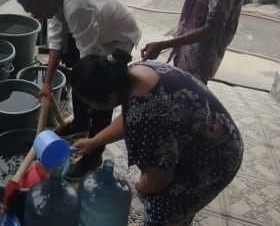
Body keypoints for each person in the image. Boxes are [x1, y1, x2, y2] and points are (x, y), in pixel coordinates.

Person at [71, 52, 243, 226]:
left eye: (89, 102)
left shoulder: (148, 119)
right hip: (221, 133)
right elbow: (129, 116)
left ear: (110, 97)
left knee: (163, 209)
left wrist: (141, 187)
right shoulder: (133, 73)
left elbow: (159, 180)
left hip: (216, 159)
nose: (89, 107)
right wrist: (94, 141)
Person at [14, 0, 140, 179]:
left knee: (100, 93)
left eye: (33, 10)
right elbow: (55, 45)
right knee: (79, 78)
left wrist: (85, 82)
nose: (34, 16)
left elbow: (89, 67)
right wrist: (46, 84)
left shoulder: (76, 7)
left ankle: (93, 156)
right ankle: (81, 124)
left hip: (119, 40)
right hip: (98, 35)